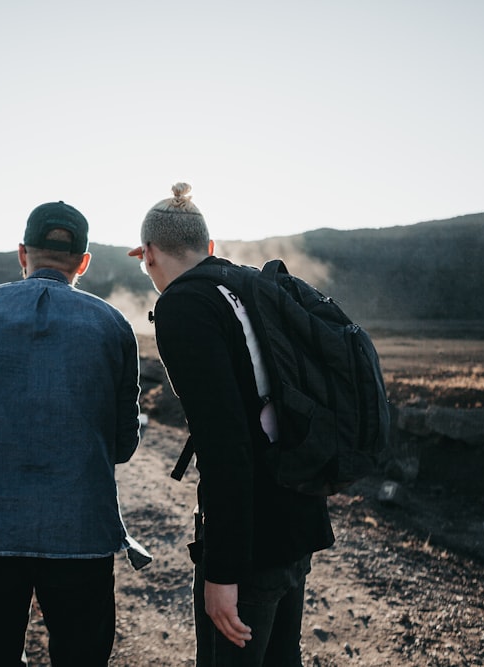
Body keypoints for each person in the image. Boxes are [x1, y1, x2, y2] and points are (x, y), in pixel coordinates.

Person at [0, 200, 142, 666]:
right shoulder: (112, 325)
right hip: (80, 531)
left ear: (22, 253)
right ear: (83, 262)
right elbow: (123, 445)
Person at [129, 183, 334, 666]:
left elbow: (226, 447)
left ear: (149, 254)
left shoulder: (183, 307)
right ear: (210, 247)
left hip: (252, 548)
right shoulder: (248, 284)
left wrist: (222, 575)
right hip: (297, 521)